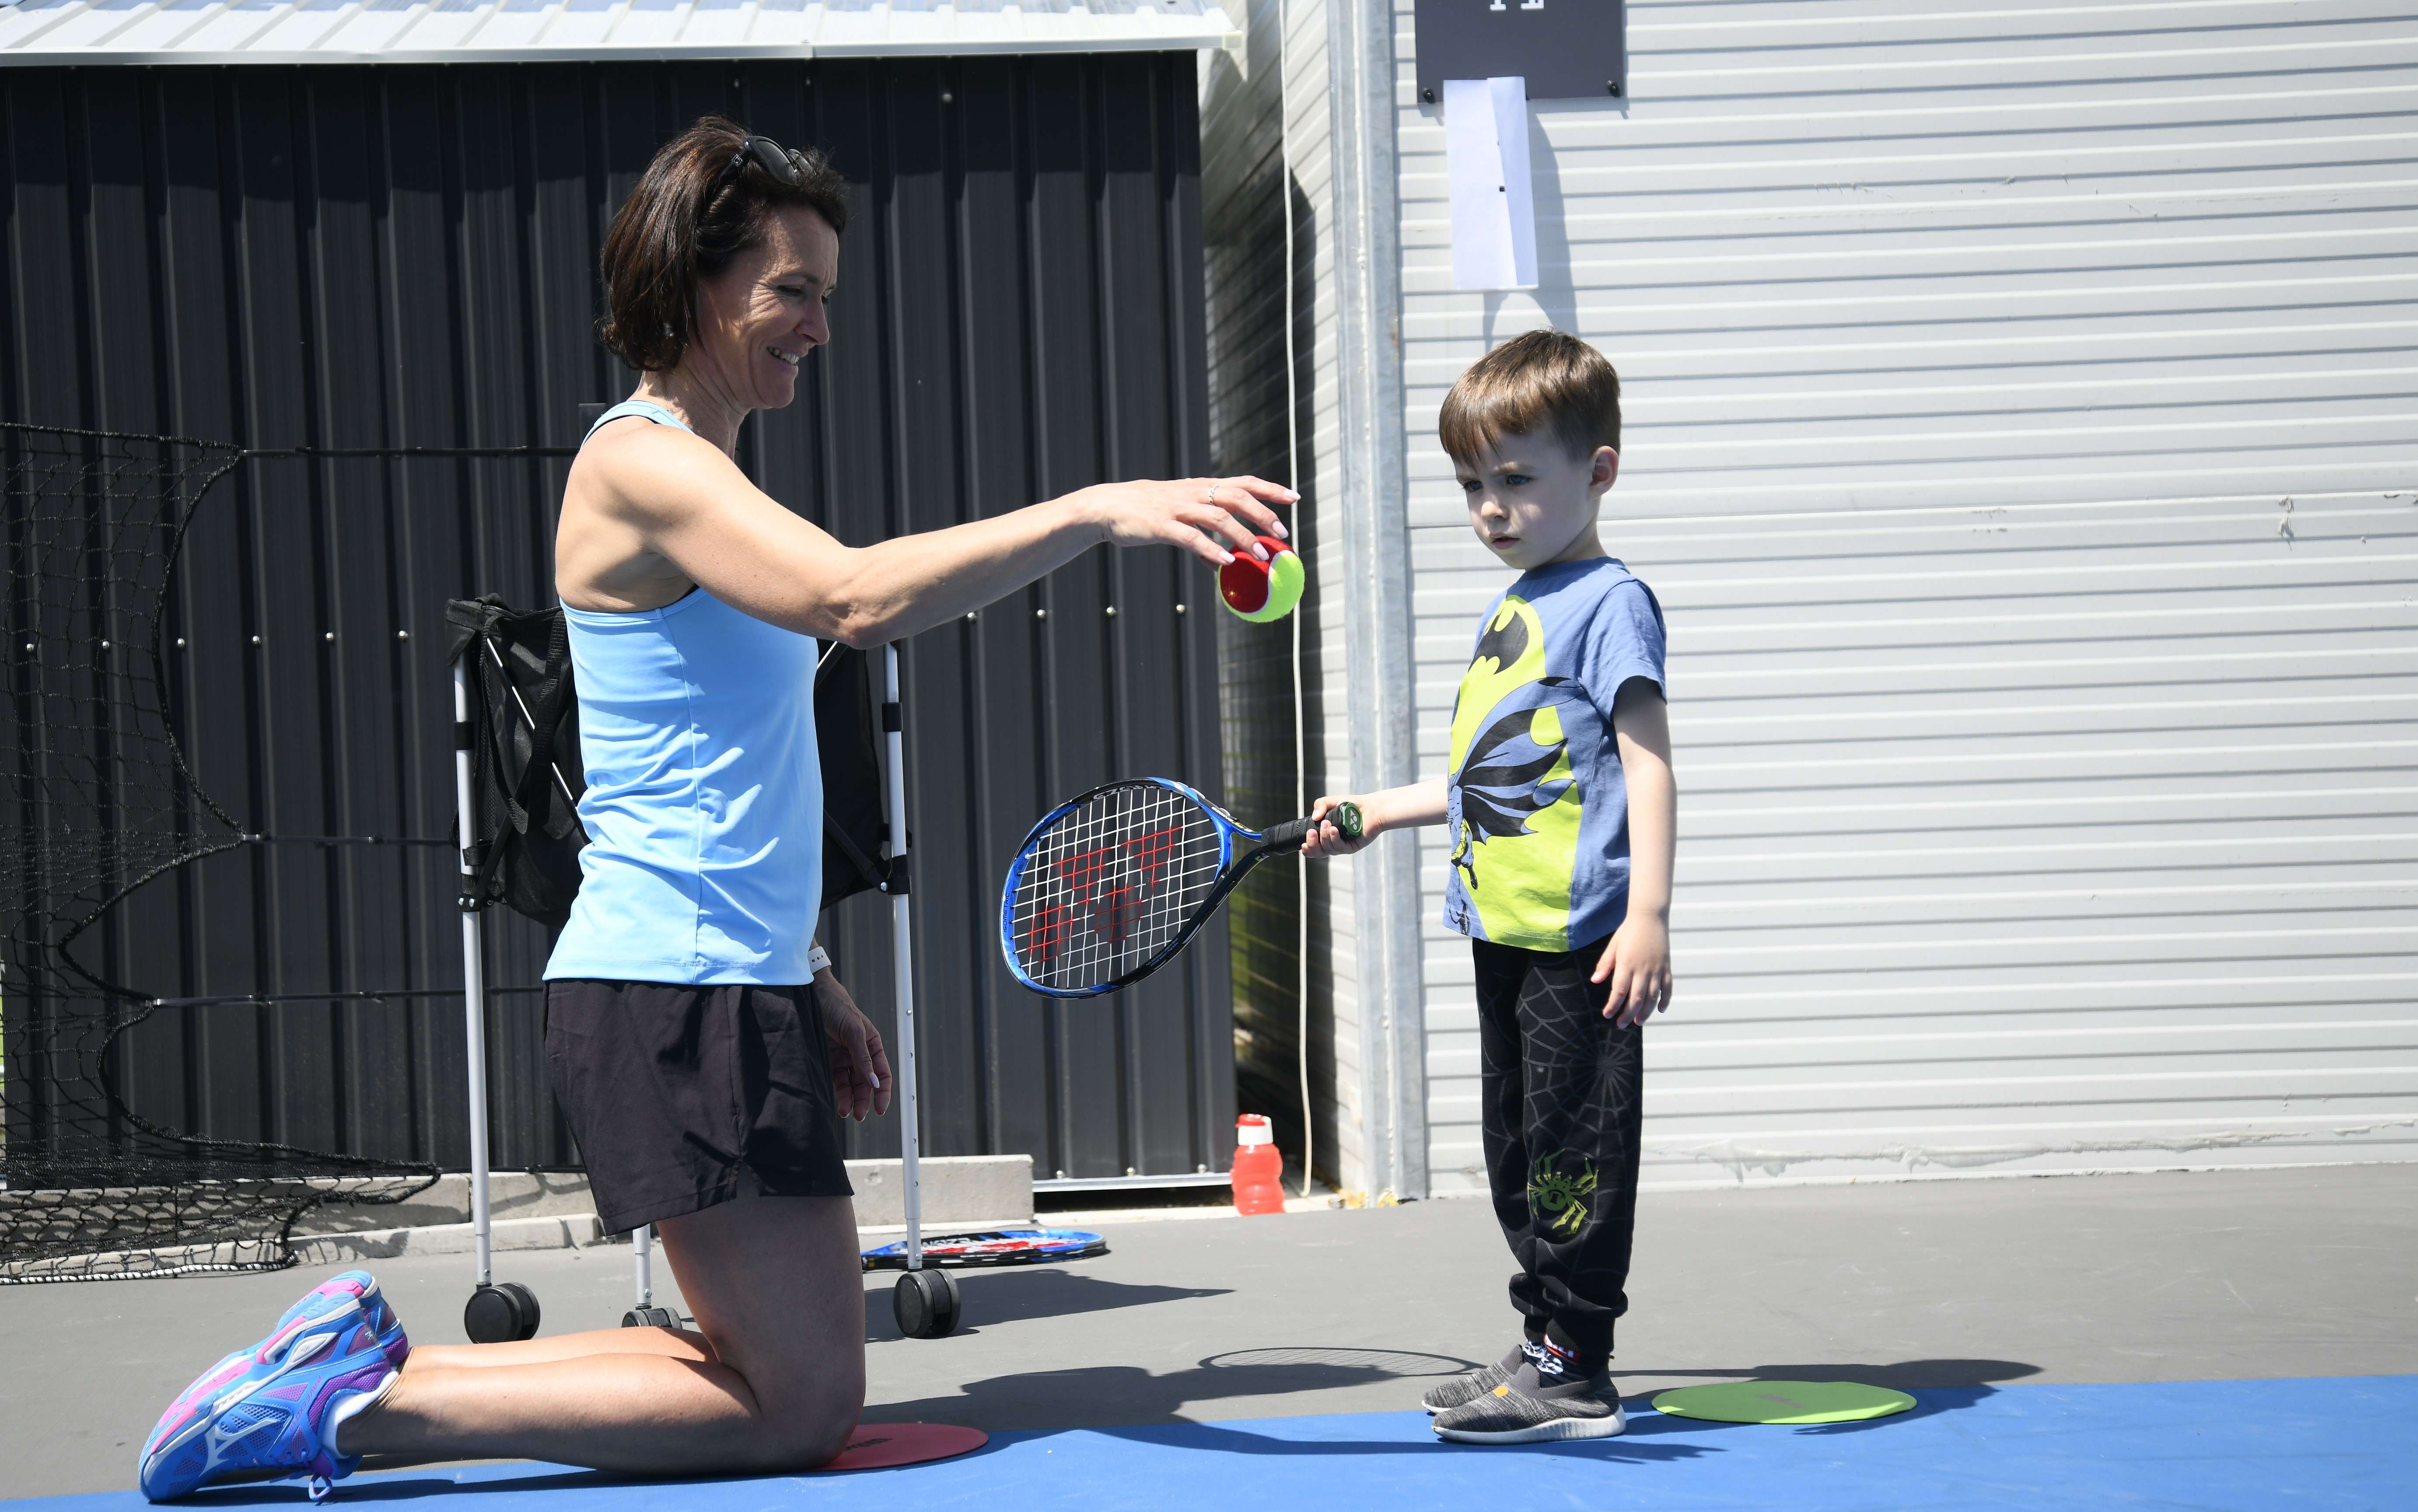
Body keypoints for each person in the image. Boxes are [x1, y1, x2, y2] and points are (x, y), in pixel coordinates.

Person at [135, 116, 1292, 1501]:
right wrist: (1101, 505)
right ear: (691, 284)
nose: (816, 323)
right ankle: (358, 1411)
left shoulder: (713, 475)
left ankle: (350, 1377)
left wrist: (816, 973)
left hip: (731, 981)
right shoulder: (639, 462)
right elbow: (858, 600)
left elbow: (727, 772)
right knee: (791, 1403)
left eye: (825, 294)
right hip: (669, 991)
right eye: (788, 290)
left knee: (784, 1381)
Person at [1300, 329, 1673, 1445]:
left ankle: (1576, 1367)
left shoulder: (1611, 603)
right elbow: (1482, 780)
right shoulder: (1518, 607)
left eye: (1517, 479)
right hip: (1503, 930)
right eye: (1473, 484)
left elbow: (1648, 762)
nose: (1491, 507)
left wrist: (1647, 912)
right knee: (1519, 1144)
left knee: (1572, 1152)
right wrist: (1374, 810)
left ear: (1597, 471)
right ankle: (1543, 1340)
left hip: (1580, 939)